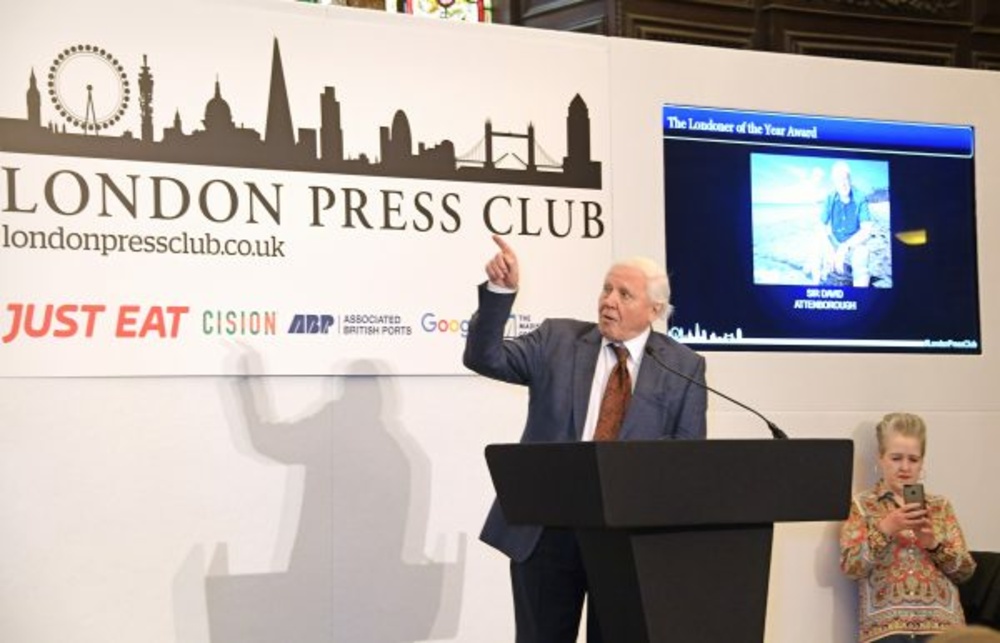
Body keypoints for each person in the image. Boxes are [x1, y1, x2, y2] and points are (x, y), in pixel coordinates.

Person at [463, 234, 708, 643]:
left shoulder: (683, 367)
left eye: (624, 294)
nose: (609, 300)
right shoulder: (557, 340)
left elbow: (685, 462)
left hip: (626, 542)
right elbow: (484, 357)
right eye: (606, 288)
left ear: (654, 310)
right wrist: (500, 293)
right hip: (547, 533)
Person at [840, 412, 977, 643]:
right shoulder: (860, 506)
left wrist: (933, 544)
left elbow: (965, 571)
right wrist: (885, 529)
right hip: (887, 632)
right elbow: (851, 568)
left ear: (922, 462)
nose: (905, 467)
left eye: (913, 459)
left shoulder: (940, 506)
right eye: (896, 458)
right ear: (880, 458)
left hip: (945, 631)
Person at [808, 160, 873, 287]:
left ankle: (860, 297)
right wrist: (828, 248)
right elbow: (820, 225)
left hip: (854, 243)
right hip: (835, 241)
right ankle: (814, 287)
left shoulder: (860, 198)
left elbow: (866, 230)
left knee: (862, 254)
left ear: (850, 179)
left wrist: (845, 247)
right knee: (815, 244)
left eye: (846, 178)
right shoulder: (829, 198)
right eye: (839, 180)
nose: (843, 183)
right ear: (834, 182)